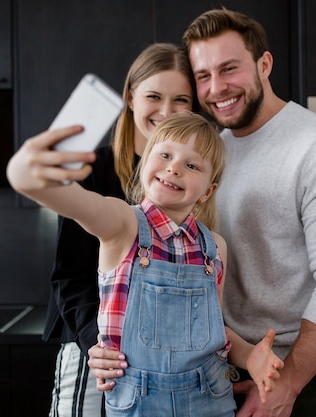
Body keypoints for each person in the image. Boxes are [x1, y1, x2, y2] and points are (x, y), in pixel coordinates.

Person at [88, 8, 316, 417]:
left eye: (229, 69)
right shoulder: (206, 155)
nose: (216, 88)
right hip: (208, 382)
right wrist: (109, 345)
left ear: (264, 64)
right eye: (203, 76)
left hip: (294, 384)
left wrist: (286, 383)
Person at [7, 112, 285, 417]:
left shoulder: (214, 247)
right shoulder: (122, 224)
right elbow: (77, 202)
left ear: (208, 191)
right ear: (144, 165)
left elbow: (214, 331)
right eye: (165, 154)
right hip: (138, 404)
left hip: (211, 400)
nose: (173, 167)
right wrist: (27, 176)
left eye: (192, 165)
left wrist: (250, 357)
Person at [40, 43, 197, 417]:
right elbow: (70, 277)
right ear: (131, 98)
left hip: (167, 359)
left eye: (181, 100)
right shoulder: (95, 171)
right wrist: (100, 346)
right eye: (154, 97)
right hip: (95, 350)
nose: (166, 111)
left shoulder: (194, 180)